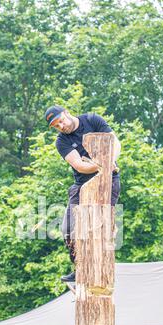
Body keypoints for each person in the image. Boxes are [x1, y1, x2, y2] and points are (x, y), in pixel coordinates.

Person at [45, 105, 121, 283]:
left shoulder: (92, 120)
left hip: (108, 180)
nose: (61, 126)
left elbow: (115, 143)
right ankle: (79, 268)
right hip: (81, 184)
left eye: (61, 121)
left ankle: (100, 270)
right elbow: (79, 165)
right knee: (69, 229)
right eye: (56, 126)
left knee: (98, 228)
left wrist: (109, 161)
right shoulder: (61, 141)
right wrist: (102, 164)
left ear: (67, 113)